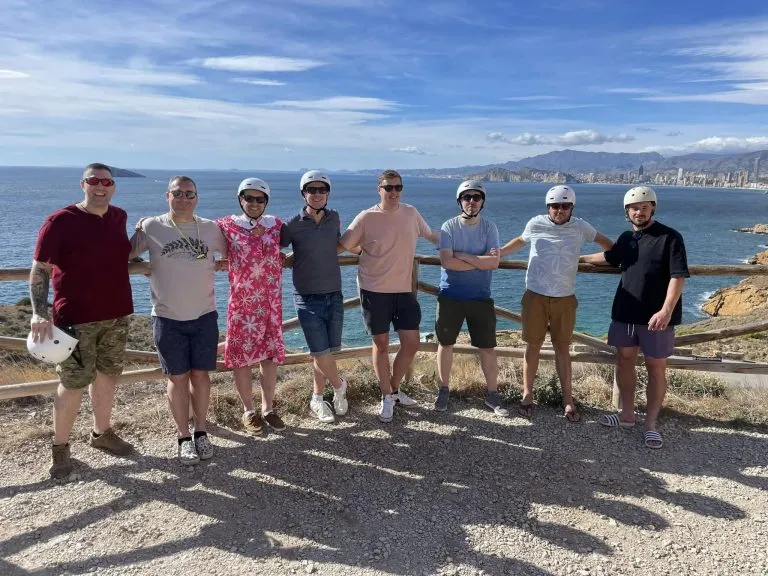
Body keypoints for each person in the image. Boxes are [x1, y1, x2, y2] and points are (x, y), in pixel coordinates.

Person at [29, 163, 134, 479]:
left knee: (107, 376)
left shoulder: (119, 217)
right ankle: (60, 448)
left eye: (106, 181)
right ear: (83, 184)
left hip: (116, 315)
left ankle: (101, 434)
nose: (100, 186)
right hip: (75, 319)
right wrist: (37, 311)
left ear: (113, 186)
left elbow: (119, 253)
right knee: (72, 383)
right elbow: (40, 269)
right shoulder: (60, 221)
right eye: (94, 181)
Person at [580, 186, 688, 448]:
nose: (638, 212)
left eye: (643, 207)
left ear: (652, 208)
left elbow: (678, 276)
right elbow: (609, 257)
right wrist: (575, 258)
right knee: (624, 362)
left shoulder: (670, 238)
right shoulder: (628, 238)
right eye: (633, 208)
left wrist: (666, 310)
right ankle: (626, 415)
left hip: (657, 317)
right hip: (625, 312)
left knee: (656, 368)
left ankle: (651, 424)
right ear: (627, 212)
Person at [129, 176, 227, 464]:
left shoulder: (211, 228)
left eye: (189, 193)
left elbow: (237, 252)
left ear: (197, 198)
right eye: (177, 193)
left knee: (201, 376)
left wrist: (222, 263)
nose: (183, 198)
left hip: (205, 314)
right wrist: (144, 267)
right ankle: (183, 436)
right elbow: (123, 254)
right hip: (167, 317)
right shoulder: (151, 226)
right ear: (167, 196)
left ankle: (201, 431)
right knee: (177, 377)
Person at [500, 185, 613, 422]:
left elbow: (607, 244)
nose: (559, 210)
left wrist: (592, 259)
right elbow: (521, 240)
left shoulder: (581, 227)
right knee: (533, 347)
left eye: (564, 206)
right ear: (547, 207)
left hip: (564, 297)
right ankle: (527, 395)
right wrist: (498, 254)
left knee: (563, 348)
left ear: (572, 207)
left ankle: (567, 400)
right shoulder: (535, 223)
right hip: (535, 295)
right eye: (554, 206)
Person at [339, 169, 439, 423]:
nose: (393, 192)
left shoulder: (411, 213)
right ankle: (386, 395)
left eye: (398, 187)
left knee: (412, 343)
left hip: (404, 289)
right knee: (381, 346)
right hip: (374, 290)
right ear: (379, 190)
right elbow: (344, 244)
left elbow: (431, 236)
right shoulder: (366, 217)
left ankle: (392, 389)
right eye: (388, 187)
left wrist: (463, 242)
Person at [217, 177, 286, 435]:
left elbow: (304, 238)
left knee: (269, 357)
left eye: (260, 199)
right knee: (241, 358)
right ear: (240, 199)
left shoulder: (275, 226)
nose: (254, 203)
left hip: (270, 303)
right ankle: (248, 410)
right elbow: (195, 233)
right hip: (242, 305)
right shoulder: (226, 225)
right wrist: (148, 223)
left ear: (266, 202)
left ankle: (268, 409)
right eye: (249, 198)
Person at [433, 180, 507, 415]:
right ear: (460, 201)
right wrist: (479, 260)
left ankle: (492, 395)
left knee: (487, 347)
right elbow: (447, 262)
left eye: (476, 197)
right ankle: (443, 390)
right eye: (467, 197)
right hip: (450, 296)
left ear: (482, 201)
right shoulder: (449, 226)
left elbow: (494, 263)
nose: (472, 201)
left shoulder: (489, 227)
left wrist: (462, 256)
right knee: (445, 344)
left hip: (480, 297)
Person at [280, 170, 349, 423]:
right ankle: (340, 386)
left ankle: (318, 399)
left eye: (322, 190)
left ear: (328, 193)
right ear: (303, 193)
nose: (317, 194)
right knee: (320, 351)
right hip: (307, 297)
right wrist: (285, 259)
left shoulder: (335, 218)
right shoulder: (291, 225)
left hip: (334, 292)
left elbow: (335, 243)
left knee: (327, 352)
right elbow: (272, 246)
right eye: (312, 190)